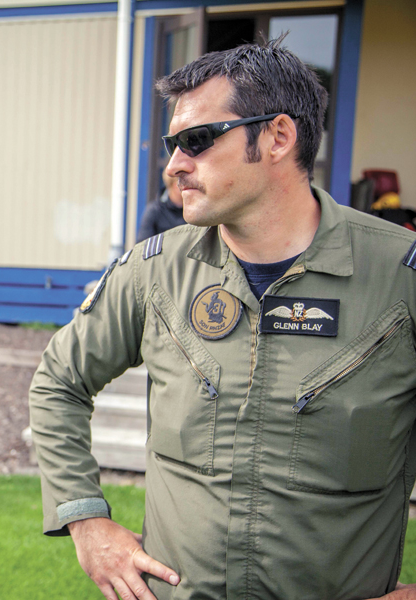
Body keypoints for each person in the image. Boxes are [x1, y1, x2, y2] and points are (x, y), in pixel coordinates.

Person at [29, 38, 416, 600]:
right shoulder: (154, 271)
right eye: (173, 144)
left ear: (279, 137)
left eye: (197, 140)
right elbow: (59, 382)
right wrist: (86, 520)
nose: (173, 164)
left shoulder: (398, 276)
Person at [137, 170, 185, 240]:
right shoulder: (155, 211)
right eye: (184, 182)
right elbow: (144, 244)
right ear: (176, 185)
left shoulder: (193, 210)